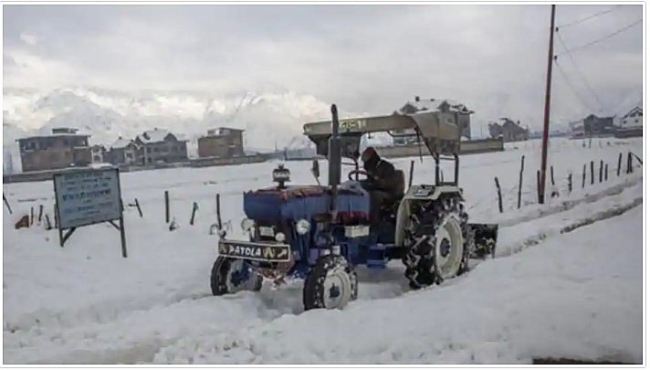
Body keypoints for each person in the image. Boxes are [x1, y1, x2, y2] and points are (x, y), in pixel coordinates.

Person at [359, 147, 401, 221]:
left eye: (367, 162)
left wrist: (378, 181)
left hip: (388, 192)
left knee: (374, 195)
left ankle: (374, 220)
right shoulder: (371, 168)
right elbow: (370, 180)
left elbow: (389, 183)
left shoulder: (387, 167)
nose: (366, 165)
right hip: (374, 189)